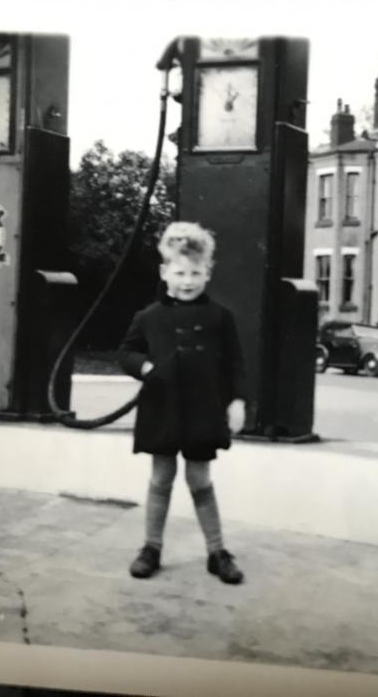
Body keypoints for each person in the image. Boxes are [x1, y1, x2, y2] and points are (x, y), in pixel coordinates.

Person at [118, 221, 246, 584]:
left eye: (195, 273)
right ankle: (151, 548)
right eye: (179, 272)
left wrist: (237, 401)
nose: (187, 281)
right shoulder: (148, 317)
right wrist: (143, 366)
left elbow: (236, 363)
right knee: (161, 476)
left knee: (200, 478)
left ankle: (217, 551)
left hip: (204, 411)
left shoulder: (221, 317)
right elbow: (126, 352)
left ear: (207, 273)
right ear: (164, 272)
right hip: (162, 409)